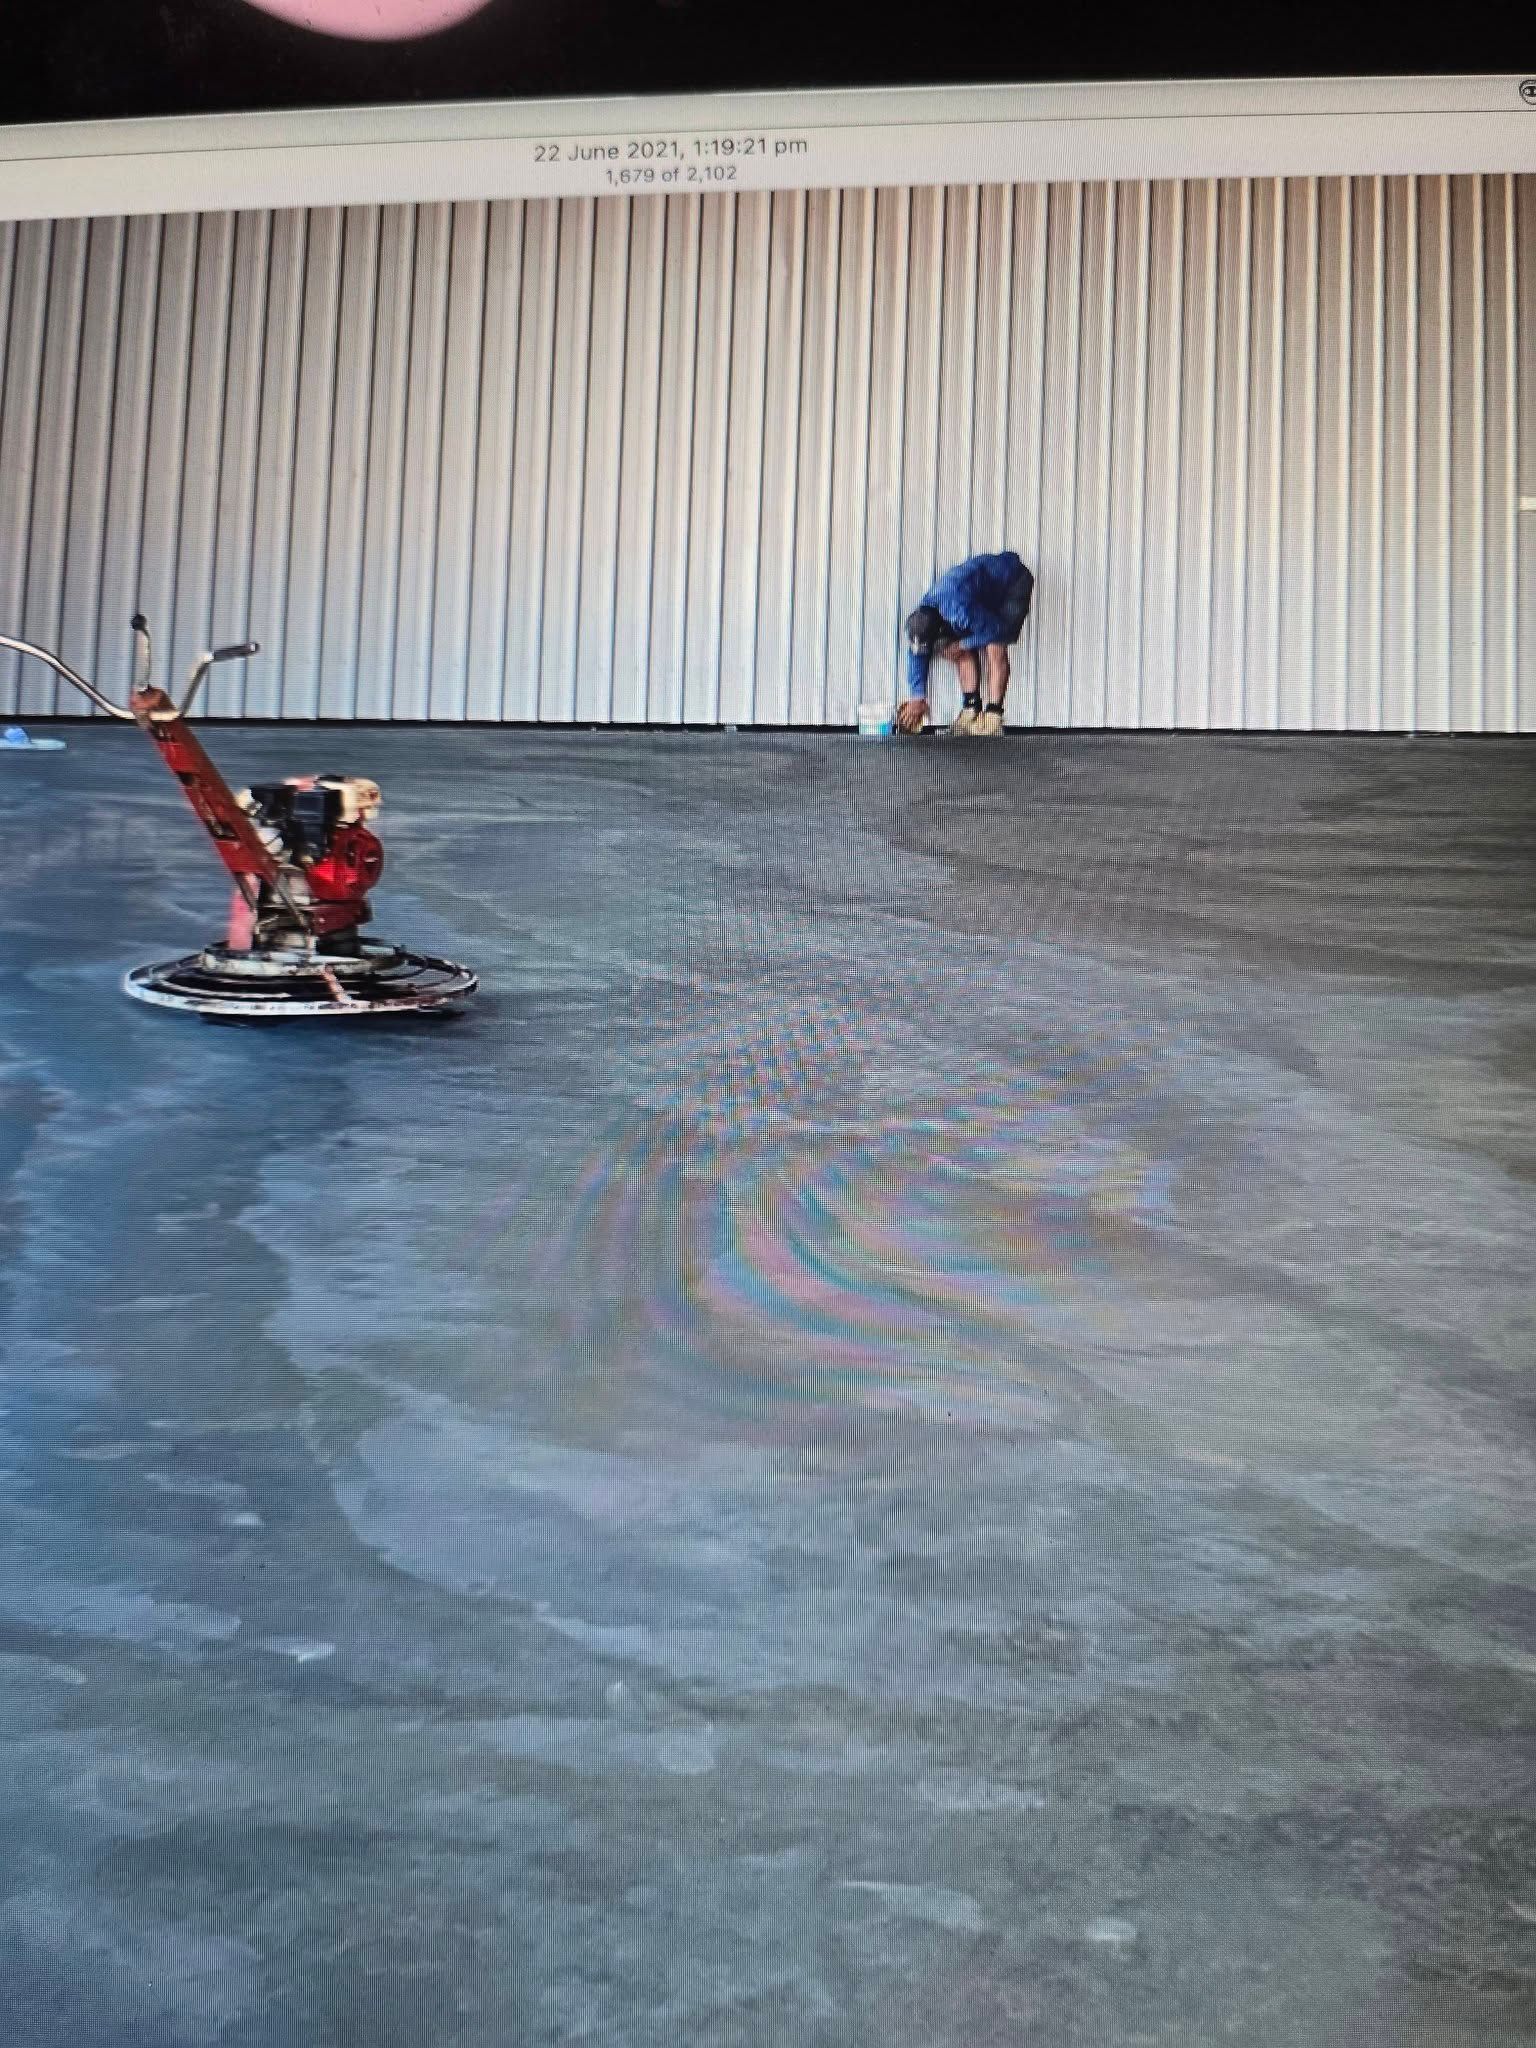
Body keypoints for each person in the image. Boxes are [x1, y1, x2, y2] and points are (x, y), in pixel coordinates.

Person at [896, 550, 1035, 737]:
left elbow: (994, 630)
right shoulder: (926, 610)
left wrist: (963, 644)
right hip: (976, 596)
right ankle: (970, 712)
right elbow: (918, 654)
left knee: (995, 645)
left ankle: (993, 718)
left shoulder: (959, 610)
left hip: (1012, 583)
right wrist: (917, 696)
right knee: (953, 646)